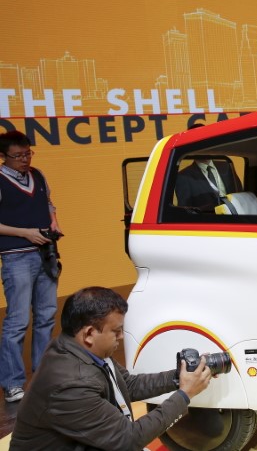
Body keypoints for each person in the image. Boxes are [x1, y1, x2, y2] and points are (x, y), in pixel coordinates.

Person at [9, 286, 212, 449]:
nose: (121, 336)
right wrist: (185, 394)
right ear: (89, 333)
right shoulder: (71, 385)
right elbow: (128, 440)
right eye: (116, 331)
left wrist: (182, 376)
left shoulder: (80, 347)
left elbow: (130, 385)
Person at [0, 131, 62, 403]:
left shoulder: (38, 174)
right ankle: (12, 383)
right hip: (16, 256)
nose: (25, 159)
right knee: (17, 322)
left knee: (47, 315)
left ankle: (42, 374)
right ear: (4, 157)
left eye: (28, 153)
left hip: (44, 252)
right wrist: (26, 233)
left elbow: (49, 203)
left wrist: (54, 224)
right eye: (18, 156)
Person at [175, 158, 241, 211]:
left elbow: (239, 191)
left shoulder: (226, 165)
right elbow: (185, 209)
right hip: (207, 223)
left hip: (235, 216)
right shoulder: (183, 176)